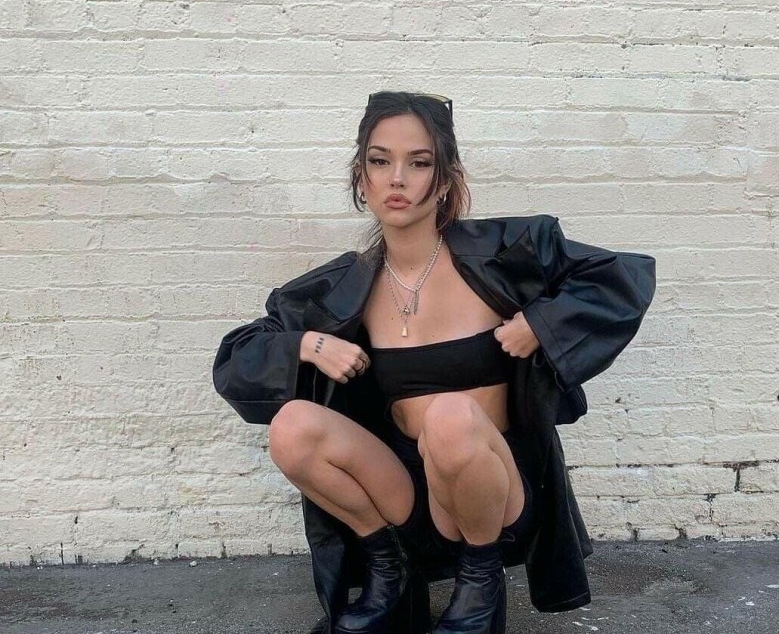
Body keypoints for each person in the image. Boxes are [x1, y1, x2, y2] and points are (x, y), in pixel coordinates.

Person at [213, 91, 656, 634]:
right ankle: (389, 567)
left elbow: (621, 277)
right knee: (291, 427)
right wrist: (309, 345)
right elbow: (236, 359)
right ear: (361, 178)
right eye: (380, 161)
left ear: (445, 179)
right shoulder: (342, 287)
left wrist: (541, 324)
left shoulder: (504, 253)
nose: (397, 178)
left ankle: (480, 582)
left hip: (494, 495)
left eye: (419, 163)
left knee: (449, 416)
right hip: (401, 497)